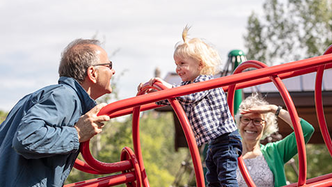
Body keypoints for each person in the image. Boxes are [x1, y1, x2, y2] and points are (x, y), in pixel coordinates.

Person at [0, 39, 115, 187]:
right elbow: (26, 137)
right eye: (109, 65)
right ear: (92, 73)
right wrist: (77, 134)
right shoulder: (66, 96)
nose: (113, 71)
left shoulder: (44, 96)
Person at [138, 26, 242, 186]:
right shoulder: (186, 85)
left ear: (200, 64)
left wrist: (166, 87)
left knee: (227, 180)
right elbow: (167, 100)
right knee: (212, 180)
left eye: (182, 63)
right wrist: (149, 94)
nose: (177, 68)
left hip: (226, 139)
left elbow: (189, 96)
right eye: (176, 64)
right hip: (214, 142)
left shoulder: (205, 81)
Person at [235, 93, 314, 187]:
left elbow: (306, 130)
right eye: (246, 119)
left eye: (257, 121)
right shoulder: (228, 155)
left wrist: (274, 109)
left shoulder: (275, 151)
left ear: (266, 126)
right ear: (239, 122)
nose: (250, 125)